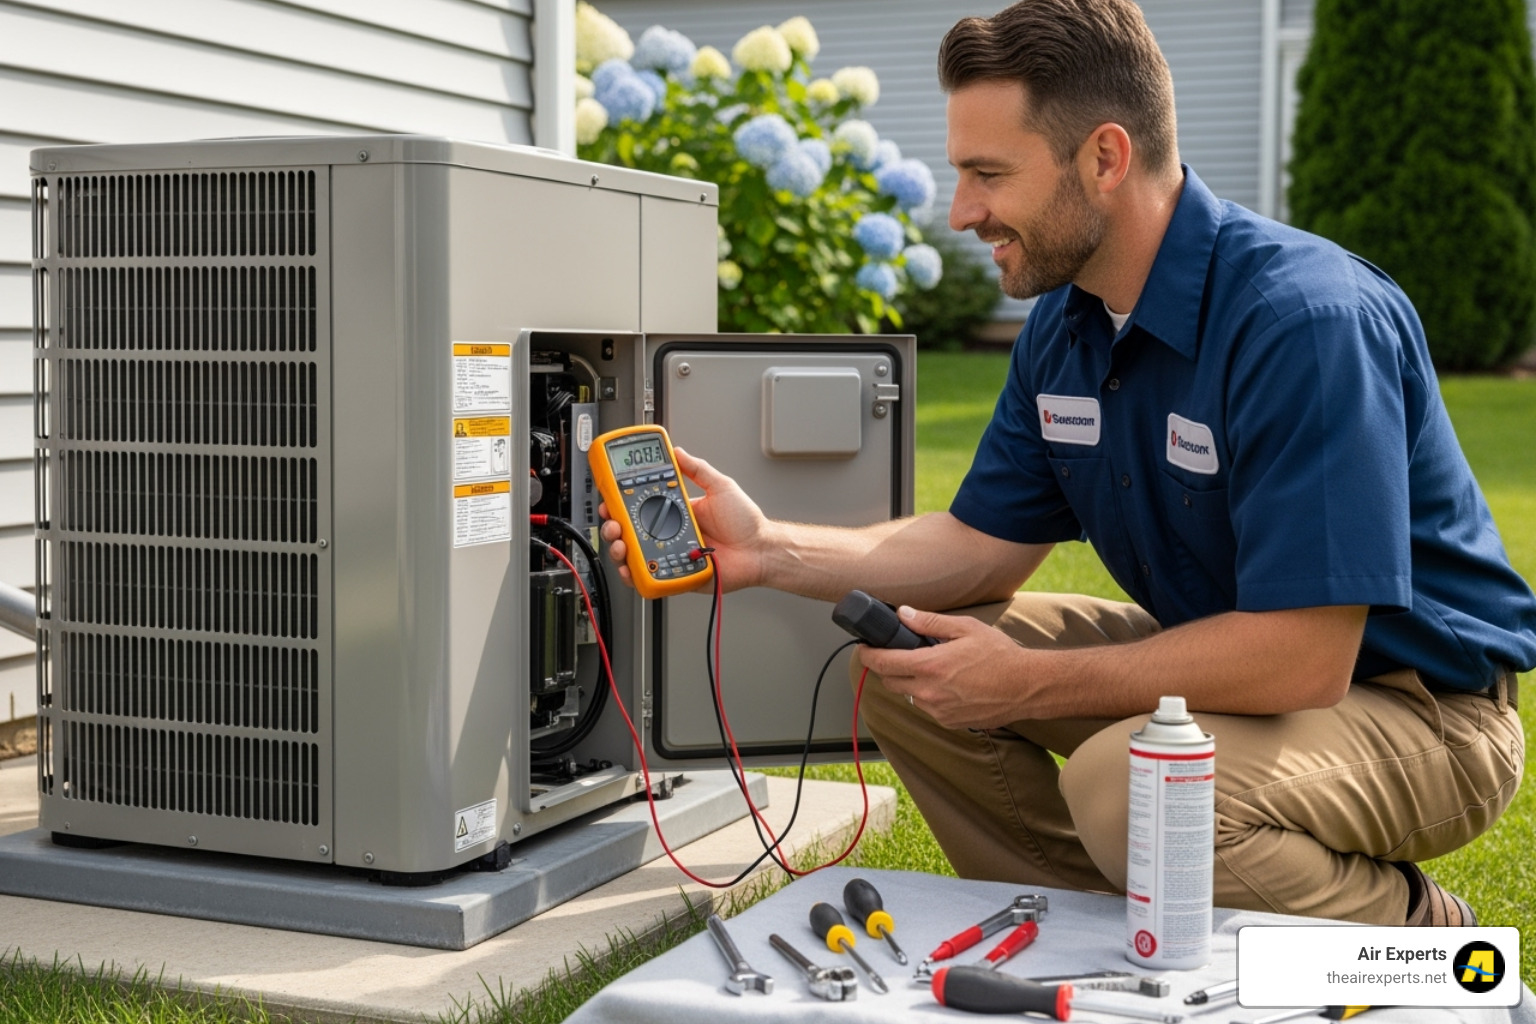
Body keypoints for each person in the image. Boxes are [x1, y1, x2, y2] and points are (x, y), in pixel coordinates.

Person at [600, 0, 1535, 927]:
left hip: (1423, 711)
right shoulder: (1066, 325)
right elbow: (977, 549)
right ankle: (1087, 934)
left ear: (1105, 158)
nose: (962, 211)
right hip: (1240, 667)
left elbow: (1303, 659)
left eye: (988, 175)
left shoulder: (1305, 323)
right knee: (912, 660)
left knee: (1130, 787)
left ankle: (1419, 939)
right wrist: (771, 552)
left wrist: (1033, 680)